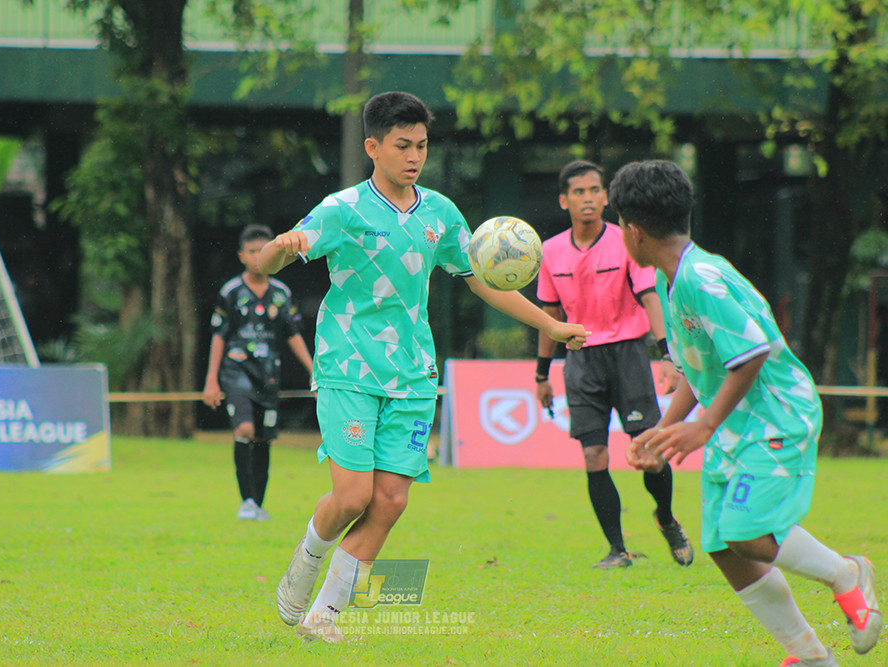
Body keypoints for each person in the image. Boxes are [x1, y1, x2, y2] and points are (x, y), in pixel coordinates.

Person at [257, 91, 590, 643]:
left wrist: (549, 326)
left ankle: (324, 617)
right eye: (403, 145)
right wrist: (279, 246)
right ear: (373, 147)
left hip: (413, 373)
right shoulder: (342, 210)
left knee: (390, 501)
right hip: (348, 367)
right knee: (353, 497)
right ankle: (307, 558)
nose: (415, 156)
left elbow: (481, 278)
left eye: (422, 146)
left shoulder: (440, 213)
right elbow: (272, 263)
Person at [611, 159, 881, 666]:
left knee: (746, 532)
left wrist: (704, 426)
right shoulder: (678, 279)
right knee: (725, 546)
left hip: (776, 415)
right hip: (737, 425)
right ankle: (811, 657)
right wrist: (664, 432)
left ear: (634, 230)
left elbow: (752, 352)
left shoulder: (701, 278)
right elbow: (699, 371)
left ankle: (848, 573)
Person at [534, 160, 692, 570]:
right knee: (594, 456)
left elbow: (650, 297)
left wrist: (667, 354)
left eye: (595, 191)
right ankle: (617, 550)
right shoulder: (550, 251)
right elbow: (549, 316)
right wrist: (541, 373)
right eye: (579, 192)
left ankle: (666, 517)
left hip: (629, 355)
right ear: (564, 200)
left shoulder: (626, 243)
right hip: (581, 359)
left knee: (649, 452)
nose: (588, 198)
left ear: (606, 197)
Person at [202, 224, 314, 521]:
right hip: (236, 371)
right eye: (251, 252)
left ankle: (258, 505)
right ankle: (246, 501)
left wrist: (314, 369)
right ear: (241, 256)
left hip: (269, 376)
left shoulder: (282, 293)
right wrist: (211, 380)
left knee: (264, 438)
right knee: (245, 430)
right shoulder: (231, 292)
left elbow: (292, 334)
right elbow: (219, 336)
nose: (256, 257)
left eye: (261, 251)